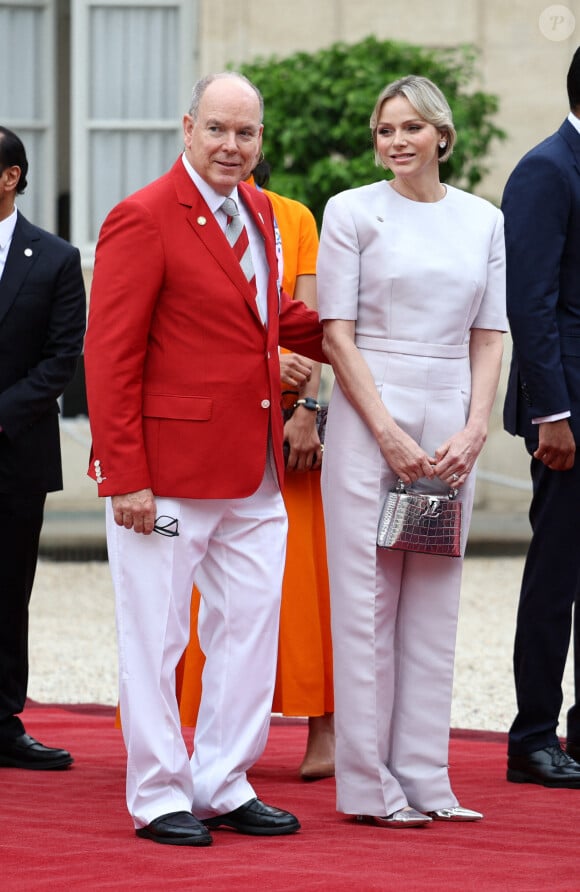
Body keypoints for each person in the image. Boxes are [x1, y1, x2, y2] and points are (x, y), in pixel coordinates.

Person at [83, 72, 325, 847]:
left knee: (250, 630)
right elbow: (108, 354)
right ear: (188, 127)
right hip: (166, 473)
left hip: (254, 468)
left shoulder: (260, 211)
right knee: (157, 637)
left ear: (261, 140)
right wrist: (125, 476)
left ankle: (224, 779)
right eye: (218, 129)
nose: (231, 146)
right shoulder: (142, 217)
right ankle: (158, 794)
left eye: (245, 133)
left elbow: (268, 319)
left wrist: (352, 329)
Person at [316, 75, 506, 827]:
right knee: (367, 602)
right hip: (371, 415)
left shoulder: (482, 220)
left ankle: (426, 776)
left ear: (442, 135)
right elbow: (335, 332)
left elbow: (489, 334)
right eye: (384, 130)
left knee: (434, 599)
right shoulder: (351, 211)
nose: (395, 141)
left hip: (450, 417)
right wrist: (388, 430)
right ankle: (367, 784)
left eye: (410, 128)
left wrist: (474, 427)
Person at [176, 160, 335, 780]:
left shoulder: (292, 217)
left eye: (244, 138)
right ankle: (204, 734)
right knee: (207, 593)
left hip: (289, 425)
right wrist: (271, 363)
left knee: (305, 583)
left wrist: (309, 411)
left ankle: (325, 728)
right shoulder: (180, 219)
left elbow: (308, 316)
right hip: (220, 421)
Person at [502, 47, 580, 789]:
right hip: (567, 413)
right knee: (555, 577)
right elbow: (529, 302)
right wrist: (551, 413)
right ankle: (532, 736)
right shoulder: (546, 170)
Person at [0, 126, 86, 770]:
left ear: (11, 176)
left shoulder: (54, 258)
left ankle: (3, 723)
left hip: (15, 451)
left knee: (7, 591)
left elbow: (62, 359)